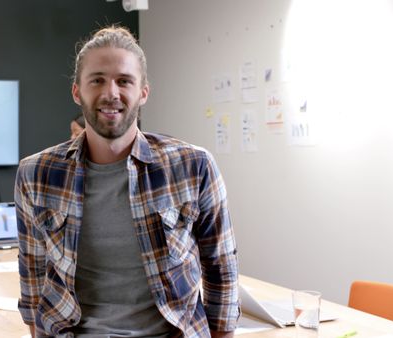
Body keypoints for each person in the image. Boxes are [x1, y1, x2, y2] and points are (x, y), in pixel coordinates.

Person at [14, 26, 239, 338]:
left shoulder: (193, 166)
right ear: (77, 90)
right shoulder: (36, 173)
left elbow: (220, 267)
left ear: (143, 92)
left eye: (124, 81)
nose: (111, 93)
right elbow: (33, 273)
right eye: (97, 80)